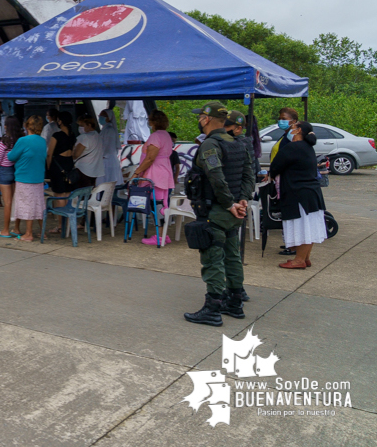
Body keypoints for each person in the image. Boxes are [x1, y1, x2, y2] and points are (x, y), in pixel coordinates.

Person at [183, 101, 254, 327]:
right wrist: (242, 199)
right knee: (232, 256)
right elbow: (248, 174)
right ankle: (234, 302)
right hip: (233, 210)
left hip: (217, 210)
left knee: (213, 258)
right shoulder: (238, 143)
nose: (199, 120)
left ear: (206, 119)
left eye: (200, 117)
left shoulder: (210, 145)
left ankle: (212, 309)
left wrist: (229, 203)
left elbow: (216, 177)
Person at [269, 121, 326, 269]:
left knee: (303, 227)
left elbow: (276, 165)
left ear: (299, 130)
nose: (290, 129)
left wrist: (270, 174)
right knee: (310, 226)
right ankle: (305, 257)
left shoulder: (292, 147)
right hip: (311, 192)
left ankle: (299, 260)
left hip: (298, 192)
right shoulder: (307, 147)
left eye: (293, 127)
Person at [129, 110, 175, 245]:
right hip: (164, 172)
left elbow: (150, 158)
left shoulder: (156, 136)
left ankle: (159, 236)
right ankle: (163, 234)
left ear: (153, 122)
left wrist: (137, 173)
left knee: (157, 205)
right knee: (162, 204)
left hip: (155, 174)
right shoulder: (166, 135)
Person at [6, 115, 49, 241]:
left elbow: (11, 156)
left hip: (25, 177)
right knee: (39, 205)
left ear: (26, 126)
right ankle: (43, 232)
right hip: (38, 177)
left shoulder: (23, 141)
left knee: (27, 205)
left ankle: (28, 234)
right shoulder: (42, 141)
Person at [0, 117, 22, 236]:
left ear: (7, 126)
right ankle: (16, 228)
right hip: (16, 170)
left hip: (5, 171)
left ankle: (5, 230)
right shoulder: (20, 140)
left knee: (8, 202)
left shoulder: (4, 140)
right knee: (16, 201)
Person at [46, 111, 76, 210]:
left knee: (59, 195)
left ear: (60, 121)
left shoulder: (57, 135)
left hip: (58, 165)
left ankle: (60, 223)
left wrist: (49, 167)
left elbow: (50, 153)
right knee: (67, 194)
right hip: (69, 163)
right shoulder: (72, 135)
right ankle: (67, 222)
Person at [72, 115, 103, 189]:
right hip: (94, 170)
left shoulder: (84, 137)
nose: (80, 128)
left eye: (82, 125)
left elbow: (76, 155)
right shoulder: (97, 135)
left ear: (89, 125)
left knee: (82, 193)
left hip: (83, 170)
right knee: (90, 193)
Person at [97, 109, 122, 186]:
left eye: (102, 116)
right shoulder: (104, 129)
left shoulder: (110, 130)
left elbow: (108, 147)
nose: (100, 118)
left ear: (108, 118)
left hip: (108, 160)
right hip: (104, 160)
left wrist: (102, 155)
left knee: (109, 182)